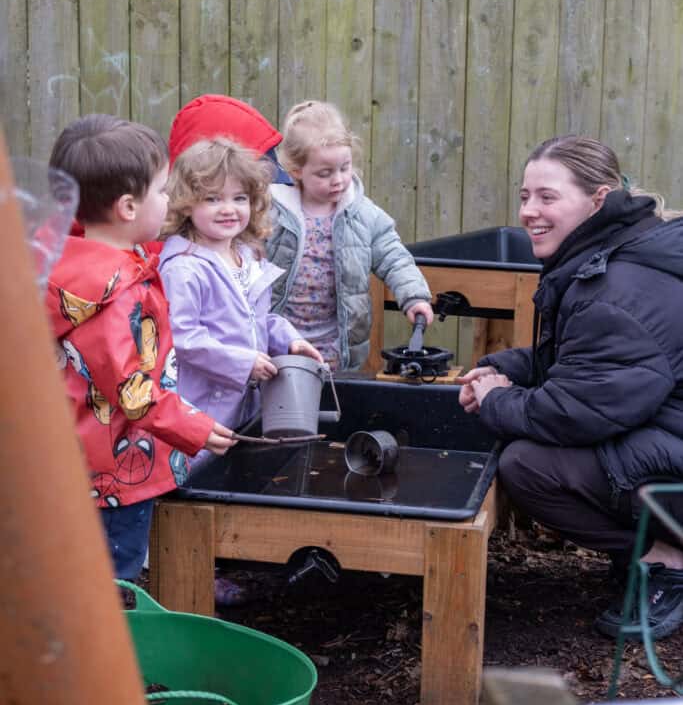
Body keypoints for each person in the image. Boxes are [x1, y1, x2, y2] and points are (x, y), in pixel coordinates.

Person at [458, 134, 683, 639]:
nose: (529, 211)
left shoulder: (618, 286)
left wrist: (497, 398)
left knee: (529, 467)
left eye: (548, 197)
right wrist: (507, 368)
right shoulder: (624, 250)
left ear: (598, 199)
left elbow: (576, 411)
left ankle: (668, 561)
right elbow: (590, 362)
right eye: (524, 196)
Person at [46, 114, 236, 581]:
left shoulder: (76, 267)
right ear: (128, 207)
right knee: (112, 584)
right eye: (163, 190)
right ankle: (107, 652)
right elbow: (131, 389)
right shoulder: (112, 294)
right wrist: (191, 425)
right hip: (114, 472)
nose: (170, 199)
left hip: (79, 464)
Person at [158, 136, 322, 440]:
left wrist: (289, 341)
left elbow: (258, 319)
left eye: (239, 198)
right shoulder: (184, 267)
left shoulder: (246, 256)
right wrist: (243, 363)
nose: (228, 209)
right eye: (212, 199)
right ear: (186, 203)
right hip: (203, 408)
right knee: (201, 476)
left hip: (246, 405)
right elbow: (183, 337)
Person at [266, 100, 434, 370]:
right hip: (282, 343)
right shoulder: (275, 213)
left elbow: (394, 257)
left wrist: (413, 296)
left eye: (345, 167)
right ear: (296, 171)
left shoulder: (362, 215)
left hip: (337, 345)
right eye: (325, 173)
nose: (338, 179)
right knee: (287, 409)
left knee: (333, 409)